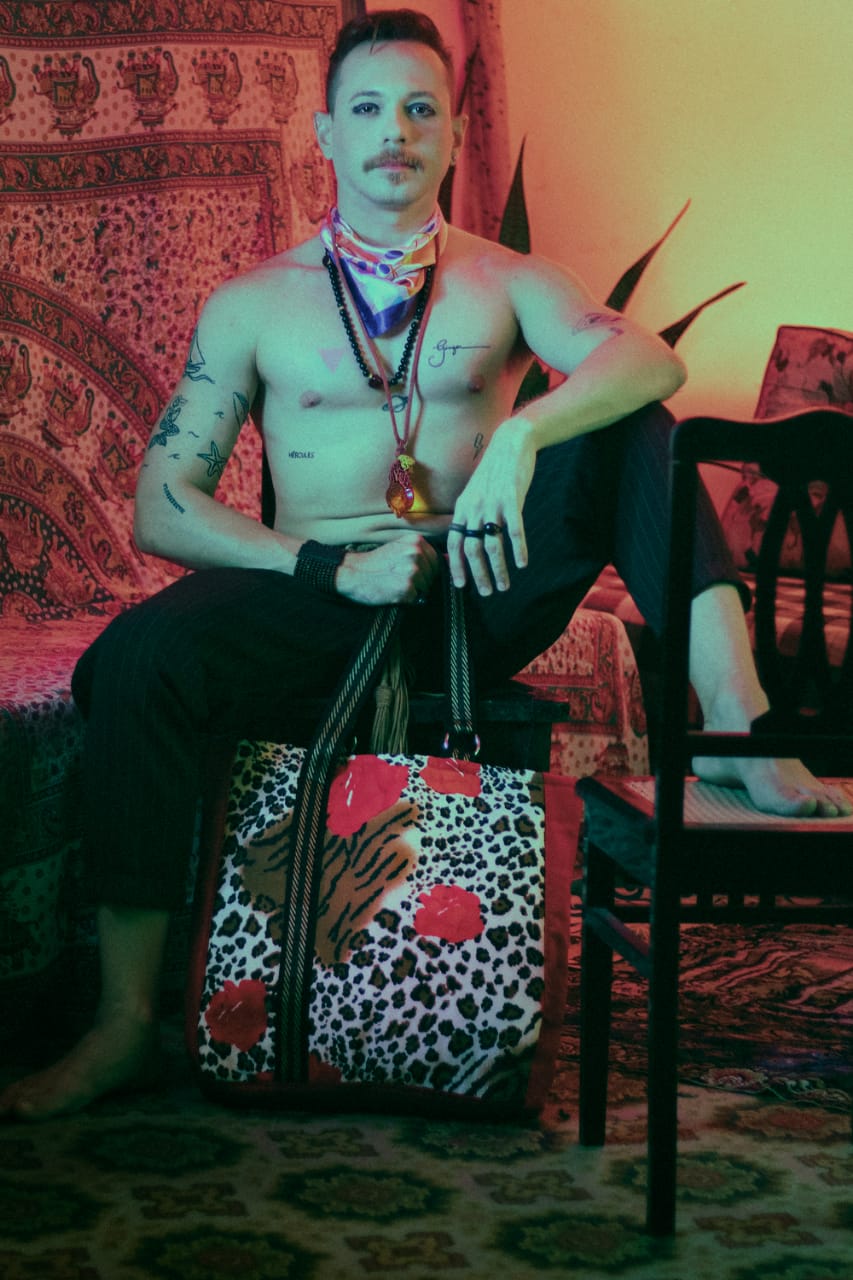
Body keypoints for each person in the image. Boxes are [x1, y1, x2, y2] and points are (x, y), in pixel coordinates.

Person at [2, 9, 848, 1122]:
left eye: (418, 109)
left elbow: (647, 357)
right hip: (317, 594)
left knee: (630, 422)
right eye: (367, 109)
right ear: (325, 134)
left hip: (477, 589)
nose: (393, 132)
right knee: (136, 657)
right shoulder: (254, 304)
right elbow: (162, 504)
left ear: (452, 133)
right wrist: (323, 566)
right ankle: (121, 1026)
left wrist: (523, 433)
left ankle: (740, 726)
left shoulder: (508, 280)